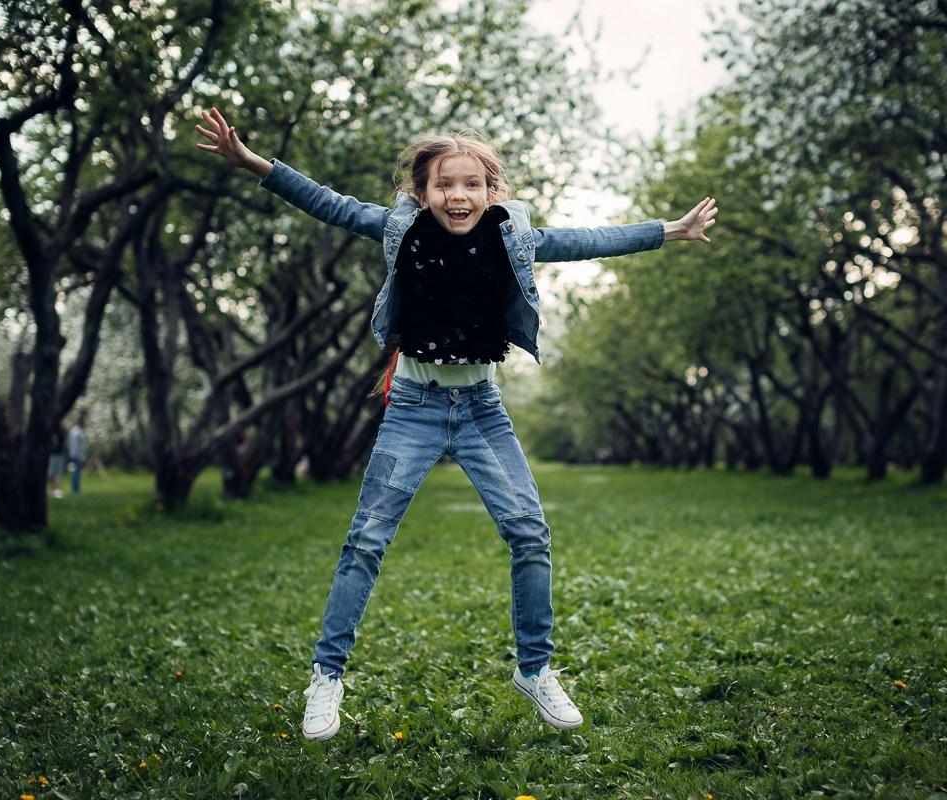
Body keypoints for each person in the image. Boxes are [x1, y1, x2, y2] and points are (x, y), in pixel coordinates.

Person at [195, 107, 718, 741]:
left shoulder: (511, 237)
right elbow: (329, 204)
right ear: (422, 193)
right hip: (412, 407)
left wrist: (669, 230)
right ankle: (326, 678)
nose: (458, 195)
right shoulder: (399, 229)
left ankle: (536, 670)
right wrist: (253, 163)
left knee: (529, 531)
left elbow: (588, 239)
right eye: (445, 184)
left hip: (480, 412)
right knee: (366, 540)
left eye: (472, 184)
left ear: (491, 192)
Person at [68, 411, 88, 495]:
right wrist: (81, 457)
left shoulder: (75, 431)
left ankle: (75, 488)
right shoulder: (77, 432)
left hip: (75, 454)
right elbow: (77, 446)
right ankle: (75, 489)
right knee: (77, 472)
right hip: (77, 455)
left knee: (76, 472)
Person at [48, 422, 67, 499]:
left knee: (52, 474)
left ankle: (53, 490)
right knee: (57, 474)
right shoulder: (57, 432)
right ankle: (54, 490)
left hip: (53, 454)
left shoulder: (53, 431)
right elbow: (55, 442)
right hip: (57, 455)